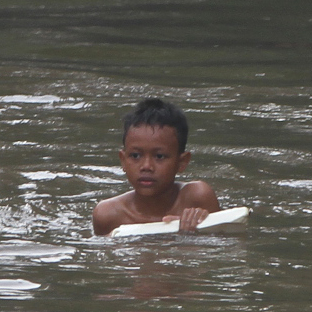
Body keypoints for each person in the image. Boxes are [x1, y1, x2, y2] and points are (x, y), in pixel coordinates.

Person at [92, 98, 220, 235]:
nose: (146, 166)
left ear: (182, 162)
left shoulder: (196, 198)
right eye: (135, 156)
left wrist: (195, 232)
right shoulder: (108, 215)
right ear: (123, 160)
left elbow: (225, 242)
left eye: (159, 156)